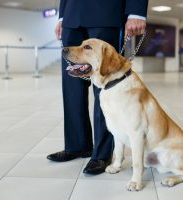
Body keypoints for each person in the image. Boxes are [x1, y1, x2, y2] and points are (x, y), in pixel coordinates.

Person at [46, 0, 148, 175]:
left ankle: (102, 154)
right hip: (72, 15)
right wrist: (63, 16)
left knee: (105, 84)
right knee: (71, 86)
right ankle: (77, 145)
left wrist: (136, 12)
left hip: (106, 12)